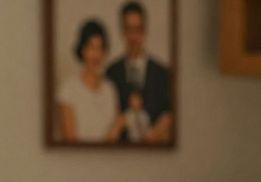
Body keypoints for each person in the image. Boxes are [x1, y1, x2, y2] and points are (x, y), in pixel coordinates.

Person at [105, 1, 174, 144]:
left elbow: (170, 112)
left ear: (145, 30)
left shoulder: (163, 73)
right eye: (129, 30)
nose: (134, 37)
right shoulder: (111, 73)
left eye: (138, 29)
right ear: (122, 31)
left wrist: (158, 130)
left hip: (156, 154)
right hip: (118, 156)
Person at [57, 19, 123, 143]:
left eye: (100, 48)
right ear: (82, 50)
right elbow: (69, 141)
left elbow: (115, 140)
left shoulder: (110, 89)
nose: (96, 55)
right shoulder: (68, 89)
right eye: (91, 48)